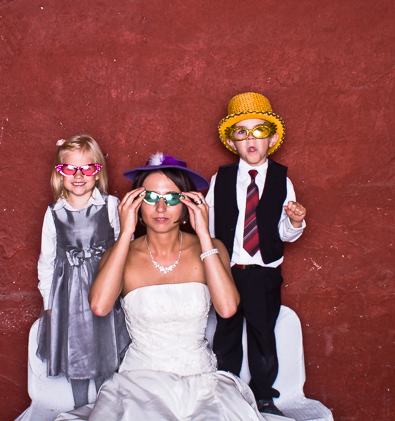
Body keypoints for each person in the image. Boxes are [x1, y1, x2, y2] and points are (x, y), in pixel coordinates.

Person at [56, 153, 291, 421]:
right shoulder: (120, 254)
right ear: (136, 203)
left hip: (201, 382)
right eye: (151, 197)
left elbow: (227, 309)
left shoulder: (212, 248)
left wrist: (203, 234)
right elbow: (99, 306)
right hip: (139, 384)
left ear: (187, 204)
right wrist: (124, 233)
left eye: (171, 198)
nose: (160, 208)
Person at [205, 92, 307, 416]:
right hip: (230, 270)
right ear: (231, 142)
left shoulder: (282, 180)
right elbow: (207, 226)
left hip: (264, 271)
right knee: (227, 332)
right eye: (241, 132)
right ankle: (226, 388)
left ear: (272, 138)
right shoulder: (219, 180)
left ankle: (264, 394)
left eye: (259, 131)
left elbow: (282, 233)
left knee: (263, 333)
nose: (251, 139)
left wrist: (294, 220)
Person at [36, 135, 130, 409]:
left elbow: (125, 248)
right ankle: (80, 409)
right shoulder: (54, 212)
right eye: (70, 169)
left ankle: (106, 407)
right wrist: (49, 304)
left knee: (106, 347)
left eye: (87, 168)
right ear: (59, 173)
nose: (79, 176)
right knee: (76, 350)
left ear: (98, 171)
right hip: (70, 296)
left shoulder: (110, 206)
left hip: (105, 286)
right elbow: (47, 260)